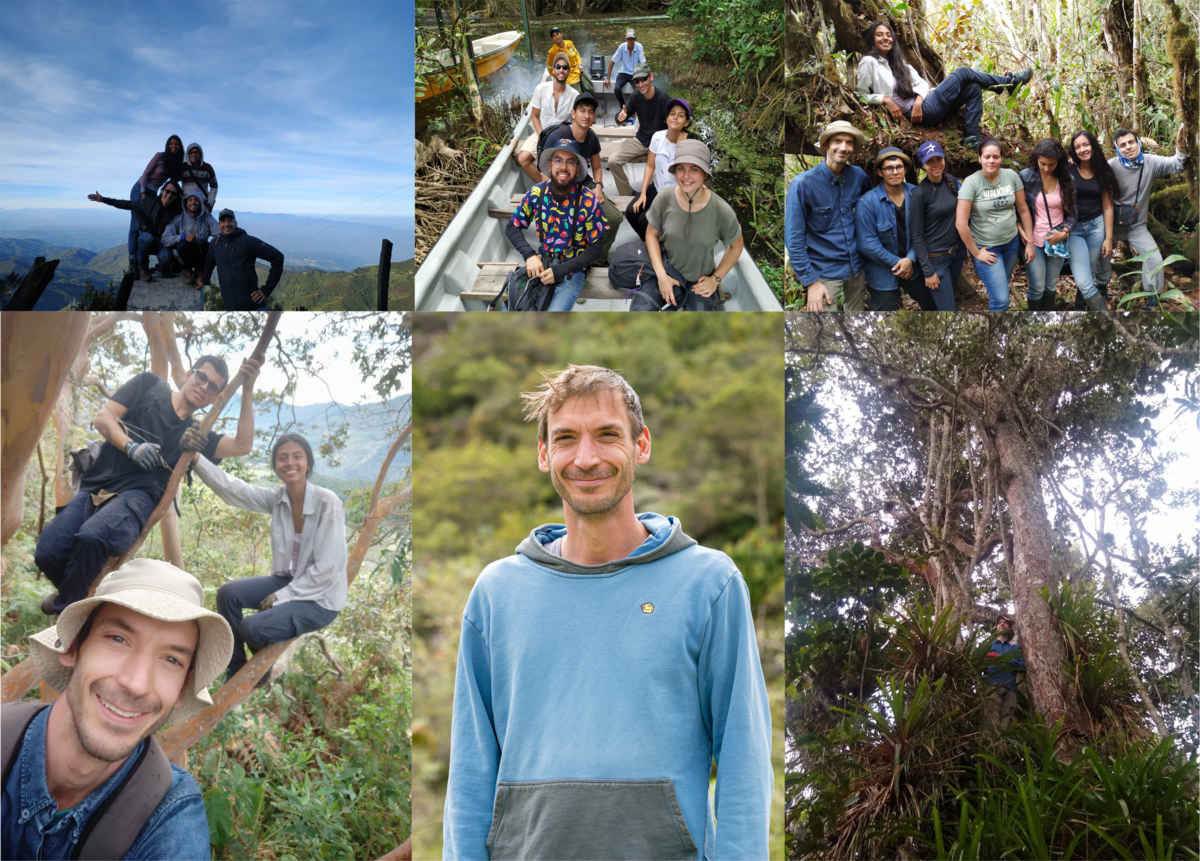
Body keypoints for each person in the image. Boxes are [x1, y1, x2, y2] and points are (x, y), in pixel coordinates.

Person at [442, 365, 772, 859]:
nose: (586, 457)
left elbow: (744, 764)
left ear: (641, 445)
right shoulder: (497, 593)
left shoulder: (709, 583)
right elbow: (470, 774)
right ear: (543, 453)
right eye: (566, 438)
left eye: (607, 435)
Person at [1, 560, 234, 861]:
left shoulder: (169, 817)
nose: (137, 684)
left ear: (182, 688)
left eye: (171, 660)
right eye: (117, 639)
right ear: (73, 646)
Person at [33, 355, 261, 616]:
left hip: (139, 497)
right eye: (202, 377)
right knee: (47, 552)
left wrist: (248, 388)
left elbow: (242, 445)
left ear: (215, 397)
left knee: (92, 536)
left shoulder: (197, 435)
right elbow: (102, 419)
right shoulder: (149, 385)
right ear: (189, 374)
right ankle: (76, 593)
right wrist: (131, 446)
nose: (204, 387)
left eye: (213, 388)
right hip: (97, 484)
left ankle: (69, 613)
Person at [185, 434, 346, 682]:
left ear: (309, 464)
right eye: (282, 458)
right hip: (292, 580)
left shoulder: (328, 503)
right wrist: (197, 459)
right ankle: (236, 666)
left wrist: (282, 597)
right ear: (275, 466)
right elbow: (234, 490)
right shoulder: (278, 498)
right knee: (228, 593)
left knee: (253, 627)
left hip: (320, 599)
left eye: (297, 457)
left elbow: (328, 569)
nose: (290, 463)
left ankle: (259, 675)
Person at [856, 21, 1031, 149]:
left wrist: (918, 100)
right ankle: (1009, 83)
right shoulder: (869, 62)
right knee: (963, 72)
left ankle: (971, 138)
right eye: (880, 35)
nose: (885, 38)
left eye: (888, 35)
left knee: (972, 88)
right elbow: (861, 94)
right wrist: (885, 100)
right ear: (873, 39)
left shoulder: (900, 63)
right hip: (921, 112)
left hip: (924, 104)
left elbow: (922, 83)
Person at [504, 138, 608, 311]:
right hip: (541, 264)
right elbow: (511, 226)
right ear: (550, 165)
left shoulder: (589, 201)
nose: (563, 167)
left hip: (573, 270)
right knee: (514, 308)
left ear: (577, 170)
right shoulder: (537, 192)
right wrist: (529, 255)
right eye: (558, 160)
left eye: (570, 162)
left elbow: (596, 248)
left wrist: (560, 271)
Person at [641, 140, 743, 311]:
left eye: (694, 169)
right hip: (667, 270)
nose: (686, 176)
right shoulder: (664, 198)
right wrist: (661, 275)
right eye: (681, 168)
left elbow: (736, 247)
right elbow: (651, 235)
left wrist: (716, 279)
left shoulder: (722, 211)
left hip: (700, 279)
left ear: (705, 174)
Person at [1098, 125, 1189, 307]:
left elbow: (1177, 165)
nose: (1128, 147)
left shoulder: (1150, 162)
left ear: (1138, 142)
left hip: (1137, 225)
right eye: (1123, 145)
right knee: (1102, 255)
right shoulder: (1111, 166)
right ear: (1117, 148)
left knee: (1154, 259)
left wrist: (1181, 146)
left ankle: (1151, 298)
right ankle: (1101, 287)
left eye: (1131, 142)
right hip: (1112, 224)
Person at [784, 121, 872, 311]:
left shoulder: (859, 176)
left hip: (857, 267)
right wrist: (811, 282)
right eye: (837, 141)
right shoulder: (802, 184)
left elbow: (870, 212)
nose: (843, 147)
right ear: (826, 145)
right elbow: (794, 238)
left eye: (849, 142)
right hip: (823, 271)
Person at [539, 93, 625, 267]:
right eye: (582, 110)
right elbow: (545, 171)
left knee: (614, 218)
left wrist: (599, 187)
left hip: (583, 182)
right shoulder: (557, 136)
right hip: (559, 183)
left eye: (591, 112)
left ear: (594, 116)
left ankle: (597, 260)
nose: (586, 115)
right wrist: (553, 197)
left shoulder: (592, 138)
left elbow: (597, 167)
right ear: (573, 113)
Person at [955, 138, 1035, 311]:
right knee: (1000, 301)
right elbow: (961, 223)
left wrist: (1030, 243)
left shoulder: (1011, 176)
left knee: (1003, 285)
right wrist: (976, 252)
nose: (991, 161)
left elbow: (1023, 210)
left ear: (1001, 158)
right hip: (987, 247)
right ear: (980, 158)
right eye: (987, 157)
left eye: (996, 157)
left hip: (1011, 243)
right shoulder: (971, 182)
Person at [856, 146, 928, 311]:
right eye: (889, 168)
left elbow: (925, 230)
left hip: (915, 267)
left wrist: (910, 259)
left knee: (931, 304)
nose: (895, 172)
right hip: (882, 273)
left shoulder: (917, 194)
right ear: (880, 172)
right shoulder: (867, 203)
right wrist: (898, 263)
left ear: (905, 170)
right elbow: (867, 244)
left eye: (899, 167)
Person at [1018, 138, 1077, 310]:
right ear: (1036, 158)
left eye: (1051, 164)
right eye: (1042, 163)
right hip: (1032, 239)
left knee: (1050, 285)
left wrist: (1064, 233)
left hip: (1057, 239)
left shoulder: (1067, 179)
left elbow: (1073, 213)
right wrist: (1020, 228)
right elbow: (1017, 208)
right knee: (1037, 285)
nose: (1046, 168)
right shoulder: (1026, 177)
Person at [88, 181, 183, 282]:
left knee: (166, 257)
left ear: (176, 196)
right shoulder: (149, 203)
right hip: (148, 239)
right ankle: (143, 268)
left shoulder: (177, 209)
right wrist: (103, 199)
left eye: (173, 193)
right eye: (167, 191)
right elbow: (127, 204)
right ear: (162, 191)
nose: (169, 195)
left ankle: (165, 267)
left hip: (163, 243)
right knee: (147, 238)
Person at [910, 140, 966, 311]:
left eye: (938, 159)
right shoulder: (920, 194)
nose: (935, 165)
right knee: (948, 309)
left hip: (957, 253)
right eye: (930, 161)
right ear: (923, 165)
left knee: (945, 301)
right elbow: (917, 235)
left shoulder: (951, 181)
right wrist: (927, 270)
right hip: (936, 260)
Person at [1066, 130, 1117, 311]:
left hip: (1097, 226)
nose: (1082, 150)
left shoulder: (1103, 171)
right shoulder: (1068, 167)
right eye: (1077, 147)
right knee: (1083, 276)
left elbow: (1108, 206)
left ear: (1093, 145)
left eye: (1086, 145)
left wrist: (1108, 238)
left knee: (1089, 270)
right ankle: (1103, 315)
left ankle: (1079, 308)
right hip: (1074, 228)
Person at [627, 97, 690, 241]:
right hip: (657, 187)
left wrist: (681, 148)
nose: (675, 117)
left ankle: (655, 245)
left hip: (675, 196)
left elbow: (686, 177)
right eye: (672, 113)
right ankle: (649, 242)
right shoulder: (658, 137)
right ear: (667, 118)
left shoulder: (690, 144)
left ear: (686, 123)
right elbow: (650, 166)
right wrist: (643, 193)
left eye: (681, 115)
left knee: (644, 220)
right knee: (631, 212)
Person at [198, 210, 285, 311]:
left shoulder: (247, 241)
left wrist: (266, 290)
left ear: (235, 223)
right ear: (219, 225)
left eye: (230, 221)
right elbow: (209, 262)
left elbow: (277, 257)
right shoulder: (215, 244)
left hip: (254, 307)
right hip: (230, 308)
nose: (227, 224)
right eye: (223, 221)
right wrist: (204, 280)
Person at [515, 52, 578, 184]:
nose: (561, 70)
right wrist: (542, 135)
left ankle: (557, 185)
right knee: (523, 158)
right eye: (558, 66)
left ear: (568, 71)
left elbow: (576, 122)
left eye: (565, 67)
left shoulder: (574, 95)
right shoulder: (541, 89)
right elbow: (535, 115)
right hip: (540, 132)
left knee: (559, 163)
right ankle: (547, 186)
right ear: (553, 70)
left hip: (560, 135)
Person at [610, 63, 671, 197]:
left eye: (643, 79)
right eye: (636, 81)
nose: (640, 84)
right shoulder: (636, 96)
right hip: (641, 140)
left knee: (658, 172)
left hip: (659, 144)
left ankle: (649, 197)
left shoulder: (663, 98)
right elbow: (621, 116)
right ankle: (628, 194)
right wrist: (620, 117)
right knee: (613, 161)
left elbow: (675, 122)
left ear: (651, 77)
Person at [127, 136, 185, 274]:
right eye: (171, 143)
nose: (173, 146)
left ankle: (146, 260)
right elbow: (146, 173)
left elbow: (175, 182)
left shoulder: (175, 163)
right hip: (140, 189)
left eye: (176, 144)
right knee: (135, 225)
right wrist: (142, 192)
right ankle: (133, 260)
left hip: (154, 193)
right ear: (167, 145)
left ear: (180, 146)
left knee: (146, 225)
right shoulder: (160, 156)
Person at [161, 189, 218, 287]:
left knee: (214, 244)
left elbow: (221, 233)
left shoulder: (207, 217)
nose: (193, 202)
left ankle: (199, 270)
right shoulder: (178, 217)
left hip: (200, 253)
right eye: (190, 200)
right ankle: (187, 270)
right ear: (185, 203)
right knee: (181, 246)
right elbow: (165, 239)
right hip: (184, 255)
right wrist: (183, 237)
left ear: (200, 203)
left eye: (196, 200)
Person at [983, 613, 1024, 729]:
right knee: (990, 723)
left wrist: (998, 659)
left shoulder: (1014, 648)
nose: (1002, 624)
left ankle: (1002, 746)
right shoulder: (987, 645)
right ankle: (990, 746)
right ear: (996, 627)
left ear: (1010, 628)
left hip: (1010, 689)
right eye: (1000, 622)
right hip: (992, 686)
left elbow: (1021, 666)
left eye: (1005, 623)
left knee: (1005, 726)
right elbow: (978, 662)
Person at [604, 29, 646, 101]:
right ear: (626, 39)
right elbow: (612, 62)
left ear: (635, 39)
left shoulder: (639, 47)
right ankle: (623, 107)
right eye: (628, 39)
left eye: (632, 39)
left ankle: (633, 107)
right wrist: (608, 78)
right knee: (617, 89)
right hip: (623, 72)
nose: (630, 42)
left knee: (638, 91)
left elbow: (644, 63)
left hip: (635, 74)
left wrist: (644, 77)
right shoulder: (622, 47)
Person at [177, 142, 218, 213]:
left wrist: (209, 204)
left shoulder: (207, 168)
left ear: (200, 154)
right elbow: (174, 182)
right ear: (187, 154)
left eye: (196, 152)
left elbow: (214, 186)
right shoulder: (182, 167)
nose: (193, 154)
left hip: (202, 204)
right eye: (191, 152)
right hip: (185, 204)